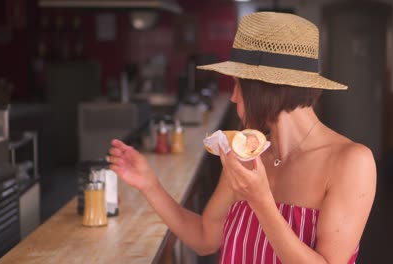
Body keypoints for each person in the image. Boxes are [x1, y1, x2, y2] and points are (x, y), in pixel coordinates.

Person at [108, 12, 376, 264]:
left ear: (264, 88)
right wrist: (149, 184)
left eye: (238, 84)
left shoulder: (351, 162)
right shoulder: (246, 154)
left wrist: (261, 201)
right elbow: (204, 238)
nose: (233, 96)